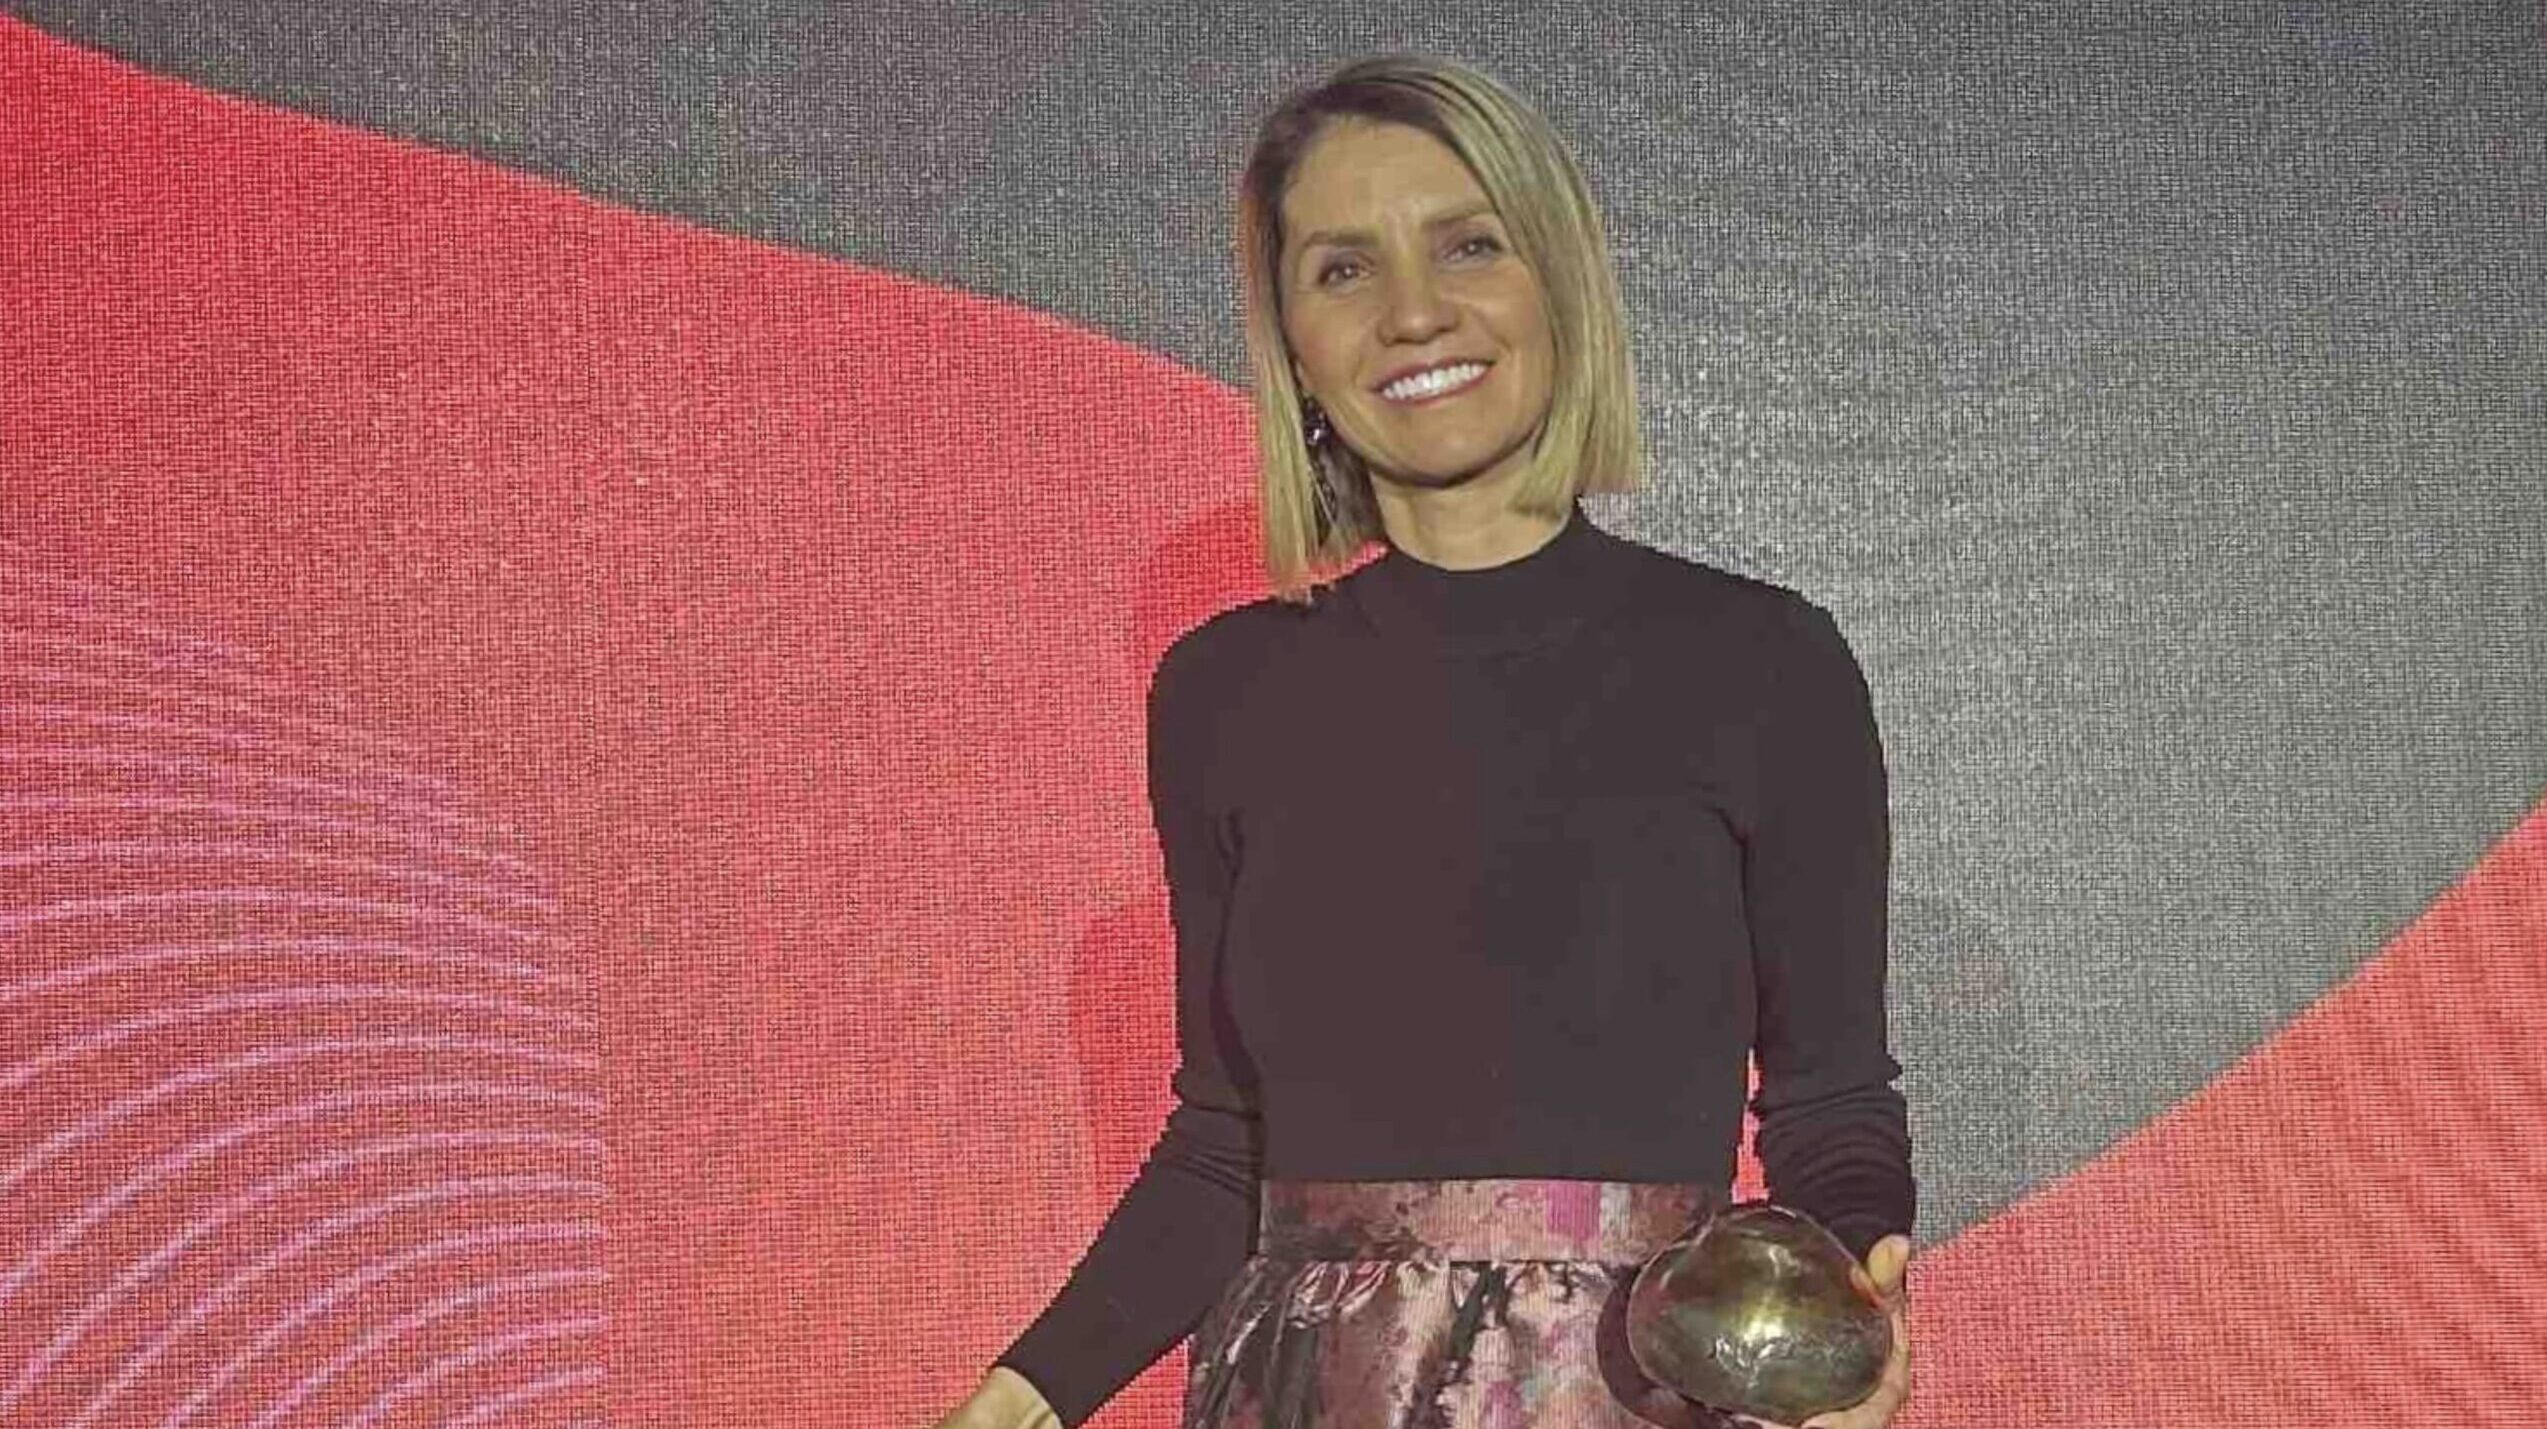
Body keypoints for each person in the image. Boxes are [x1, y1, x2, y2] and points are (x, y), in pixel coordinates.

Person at [931, 53, 1915, 1429]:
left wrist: (1849, 1311)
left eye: (1467, 245)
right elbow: (1226, 1146)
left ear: (1558, 282)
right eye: (1343, 269)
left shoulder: (1765, 664)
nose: (1411, 311)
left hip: (1642, 1397)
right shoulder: (1222, 692)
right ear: (1294, 344)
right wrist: (1022, 1397)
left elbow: (1830, 1105)